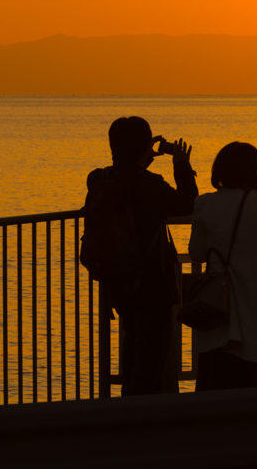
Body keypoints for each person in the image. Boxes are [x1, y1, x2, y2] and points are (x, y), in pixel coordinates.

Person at [87, 116, 198, 395]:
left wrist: (144, 155)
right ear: (146, 146)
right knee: (150, 359)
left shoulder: (101, 179)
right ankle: (139, 419)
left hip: (119, 281)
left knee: (132, 348)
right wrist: (180, 164)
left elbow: (126, 175)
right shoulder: (151, 184)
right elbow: (188, 202)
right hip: (151, 283)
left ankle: (129, 410)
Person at [188, 141, 257, 390]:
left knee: (218, 373)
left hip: (219, 303)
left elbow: (196, 253)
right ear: (255, 171)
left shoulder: (204, 203)